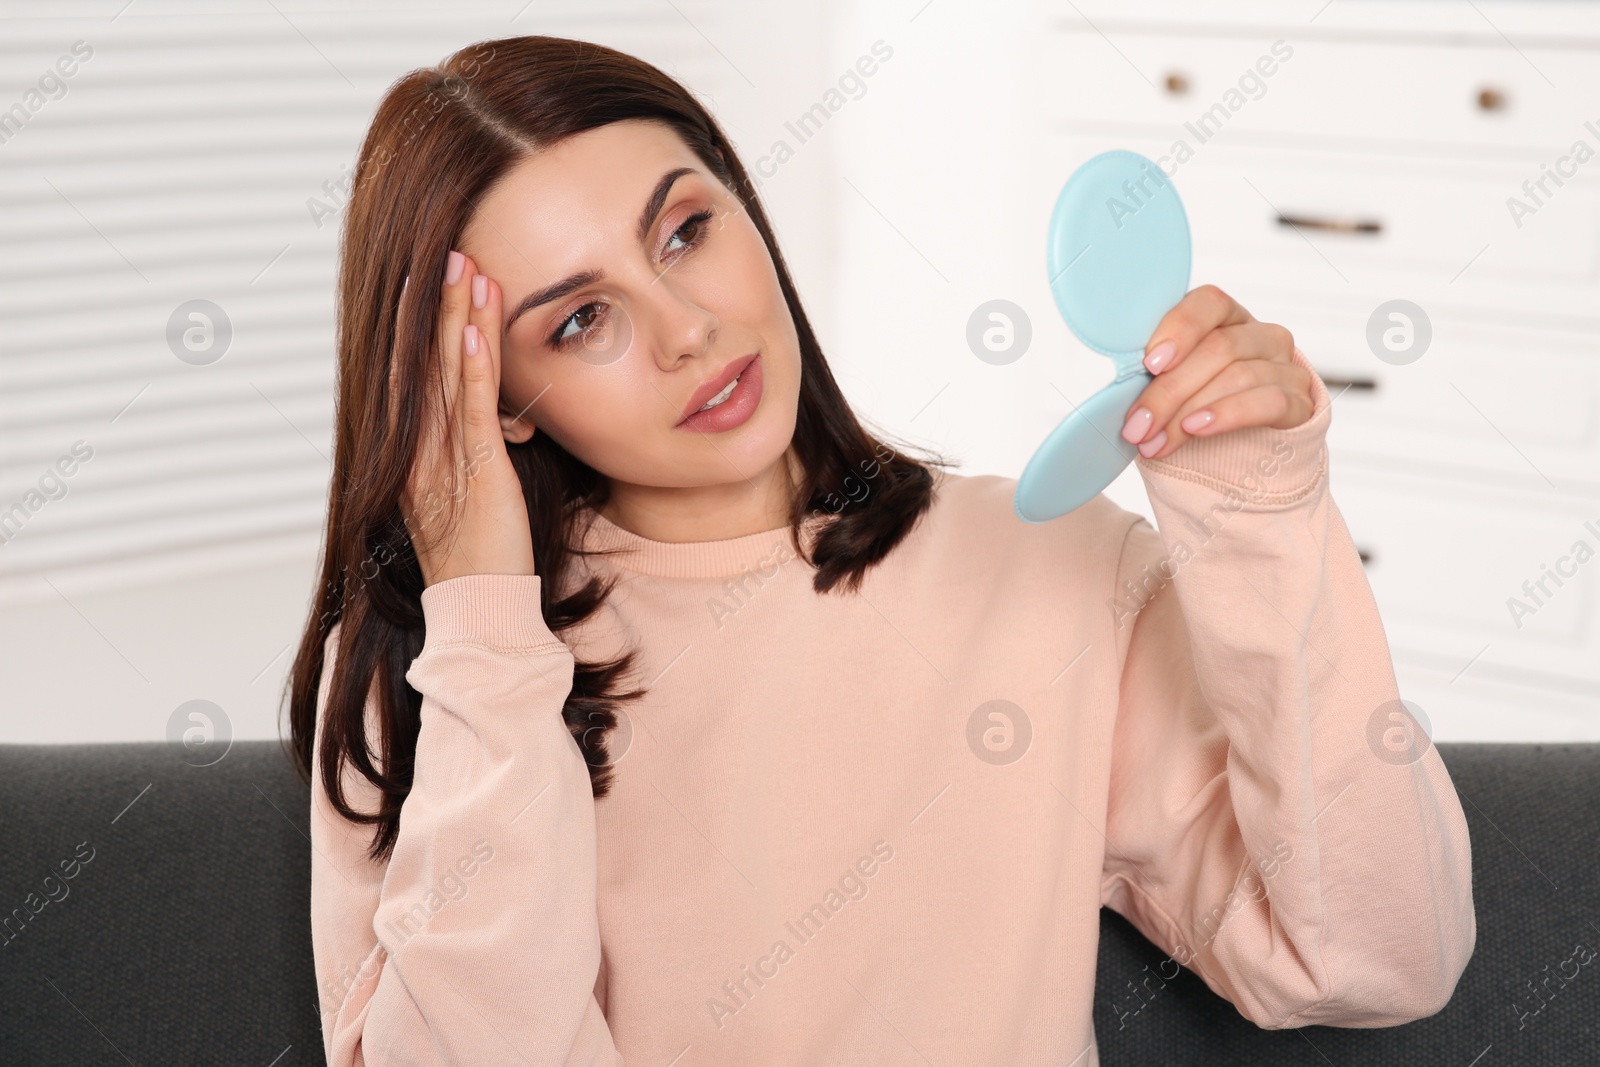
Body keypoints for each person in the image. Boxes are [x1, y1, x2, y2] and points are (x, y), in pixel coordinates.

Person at [285, 33, 1476, 1066]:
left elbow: (1373, 956)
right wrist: (487, 630)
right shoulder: (432, 660)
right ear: (495, 397)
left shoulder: (1057, 573)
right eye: (583, 318)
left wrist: (1257, 509)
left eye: (688, 230)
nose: (688, 328)